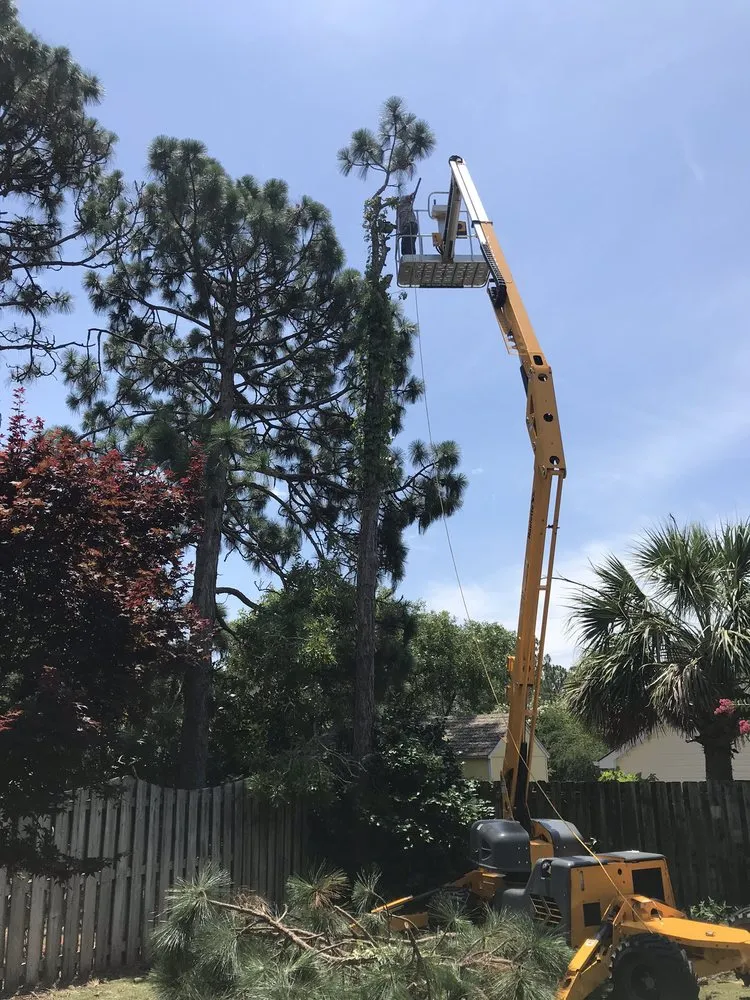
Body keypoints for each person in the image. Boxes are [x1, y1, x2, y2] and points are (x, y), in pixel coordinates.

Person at [397, 186, 419, 255]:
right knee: (407, 247)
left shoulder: (403, 203)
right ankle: (412, 259)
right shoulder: (399, 211)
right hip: (408, 227)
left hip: (410, 224)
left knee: (407, 246)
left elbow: (409, 197)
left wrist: (412, 195)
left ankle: (412, 259)